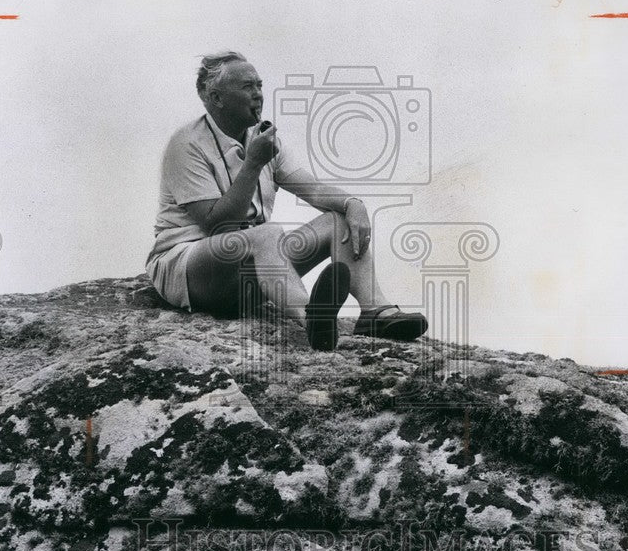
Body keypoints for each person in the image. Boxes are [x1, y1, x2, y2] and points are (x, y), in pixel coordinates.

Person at [145, 51, 428, 350]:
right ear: (216, 98)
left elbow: (312, 189)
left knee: (337, 220)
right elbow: (218, 224)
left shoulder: (263, 138)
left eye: (259, 85)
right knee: (268, 234)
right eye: (247, 87)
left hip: (248, 273)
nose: (258, 95)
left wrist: (352, 203)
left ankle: (375, 311)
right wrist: (253, 164)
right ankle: (312, 319)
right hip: (189, 271)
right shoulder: (186, 144)